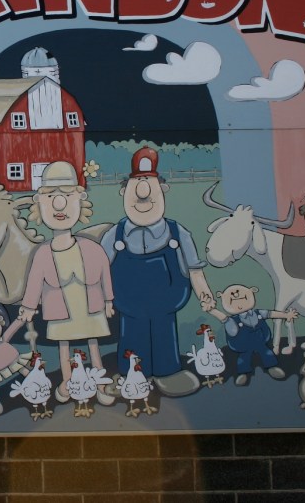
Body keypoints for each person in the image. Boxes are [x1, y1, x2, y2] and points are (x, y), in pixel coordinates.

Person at [100, 146, 215, 398]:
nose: (143, 194)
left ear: (163, 191)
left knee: (165, 333)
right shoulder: (114, 236)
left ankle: (168, 372)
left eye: (149, 186)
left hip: (166, 301)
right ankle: (130, 375)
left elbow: (193, 268)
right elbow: (100, 270)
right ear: (123, 192)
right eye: (136, 187)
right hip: (129, 304)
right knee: (131, 335)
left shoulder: (177, 233)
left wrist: (204, 291)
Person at [19, 161, 116, 407]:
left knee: (93, 346)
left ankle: (101, 383)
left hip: (90, 308)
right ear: (39, 204)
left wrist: (108, 300)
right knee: (65, 348)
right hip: (60, 312)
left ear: (79, 201)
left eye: (66, 196)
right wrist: (29, 306)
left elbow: (105, 271)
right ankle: (68, 382)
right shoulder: (42, 254)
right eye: (51, 196)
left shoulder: (91, 248)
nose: (59, 204)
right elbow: (34, 282)